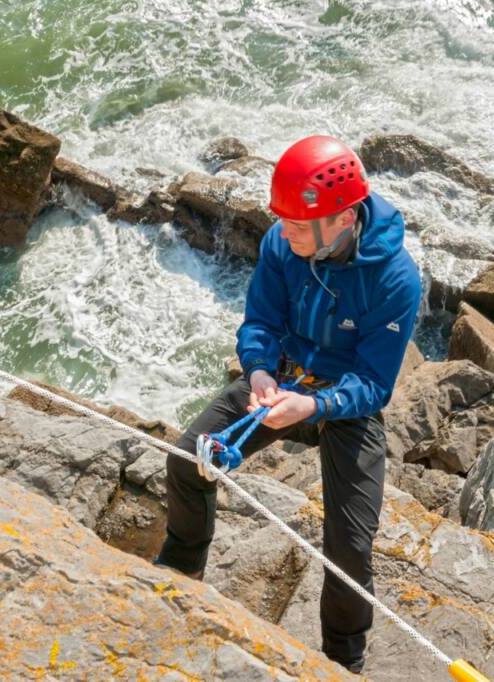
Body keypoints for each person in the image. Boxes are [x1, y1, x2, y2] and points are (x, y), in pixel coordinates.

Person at [154, 134, 422, 673]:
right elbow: (260, 322)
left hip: (345, 399)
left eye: (299, 224)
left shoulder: (396, 279)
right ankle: (181, 572)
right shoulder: (285, 242)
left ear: (344, 219)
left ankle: (342, 661)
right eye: (286, 221)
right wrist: (257, 371)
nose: (284, 231)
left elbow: (373, 382)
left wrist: (315, 408)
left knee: (349, 546)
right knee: (189, 460)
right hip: (280, 380)